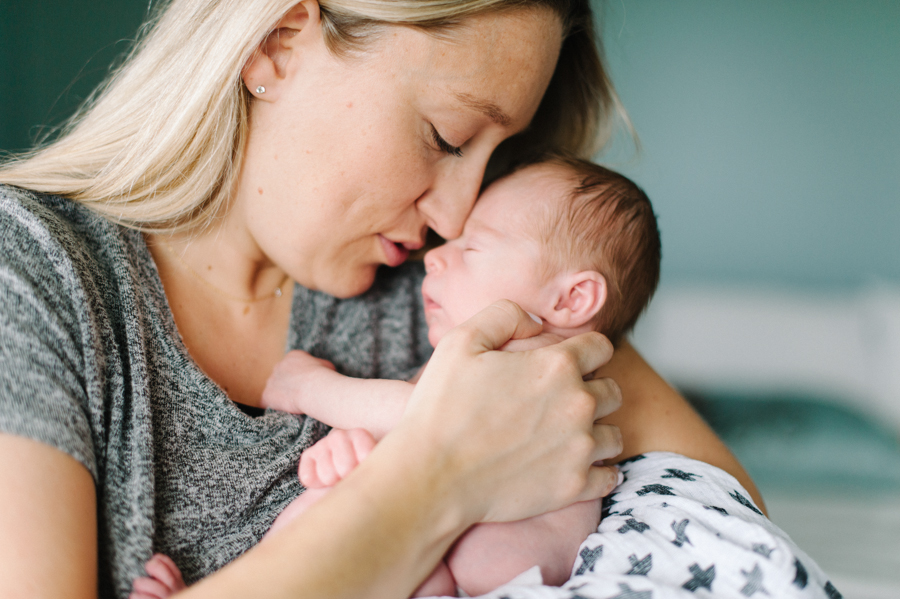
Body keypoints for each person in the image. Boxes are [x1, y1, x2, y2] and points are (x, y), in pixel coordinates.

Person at [0, 1, 775, 598]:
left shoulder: (473, 298)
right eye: (446, 136)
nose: (455, 216)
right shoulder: (34, 277)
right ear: (279, 43)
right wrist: (442, 473)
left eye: (494, 157)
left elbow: (727, 551)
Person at [132, 155, 661, 598]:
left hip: (490, 579)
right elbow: (430, 439)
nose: (436, 257)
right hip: (449, 570)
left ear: (573, 298)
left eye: (473, 248)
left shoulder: (542, 360)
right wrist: (352, 454)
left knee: (331, 520)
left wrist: (312, 388)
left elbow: (426, 418)